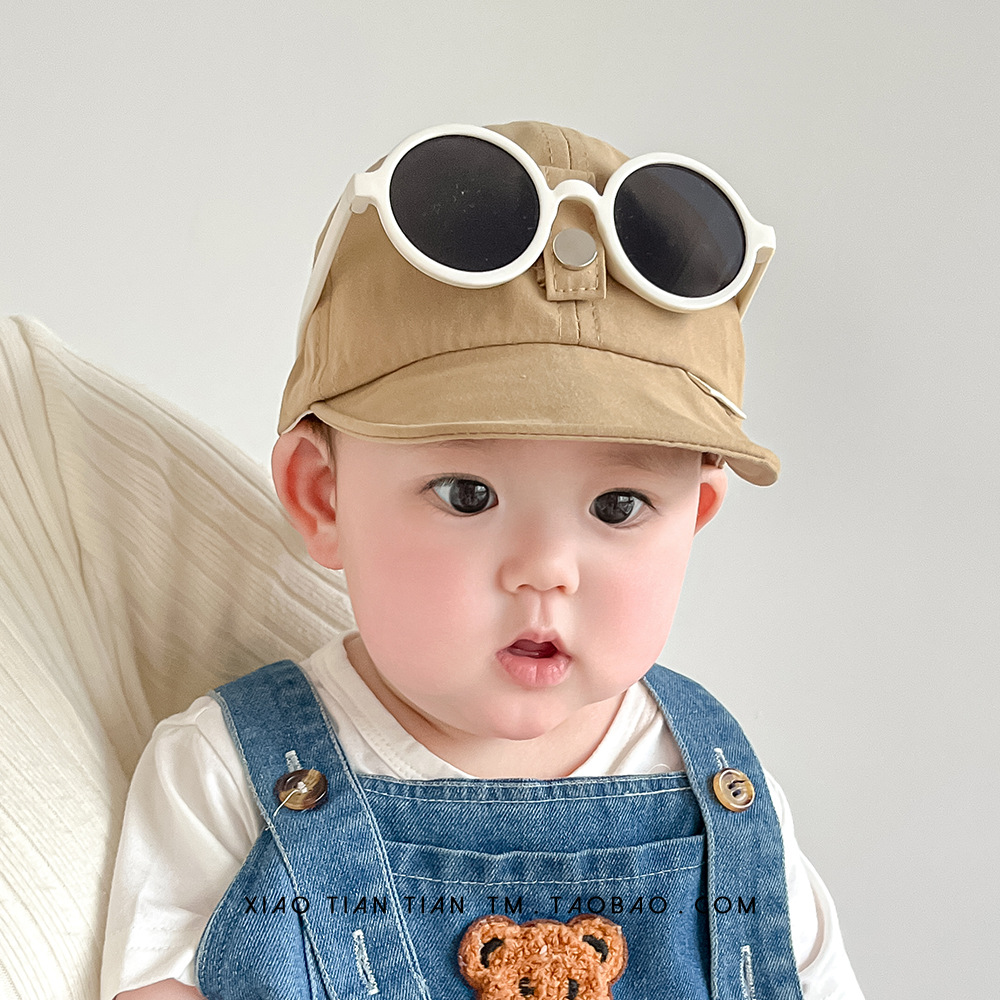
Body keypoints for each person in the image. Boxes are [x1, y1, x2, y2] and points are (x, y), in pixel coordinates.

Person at [101, 121, 864, 999]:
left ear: (695, 515)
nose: (546, 569)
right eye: (468, 495)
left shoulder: (723, 791)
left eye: (618, 506)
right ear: (324, 497)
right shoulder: (230, 775)